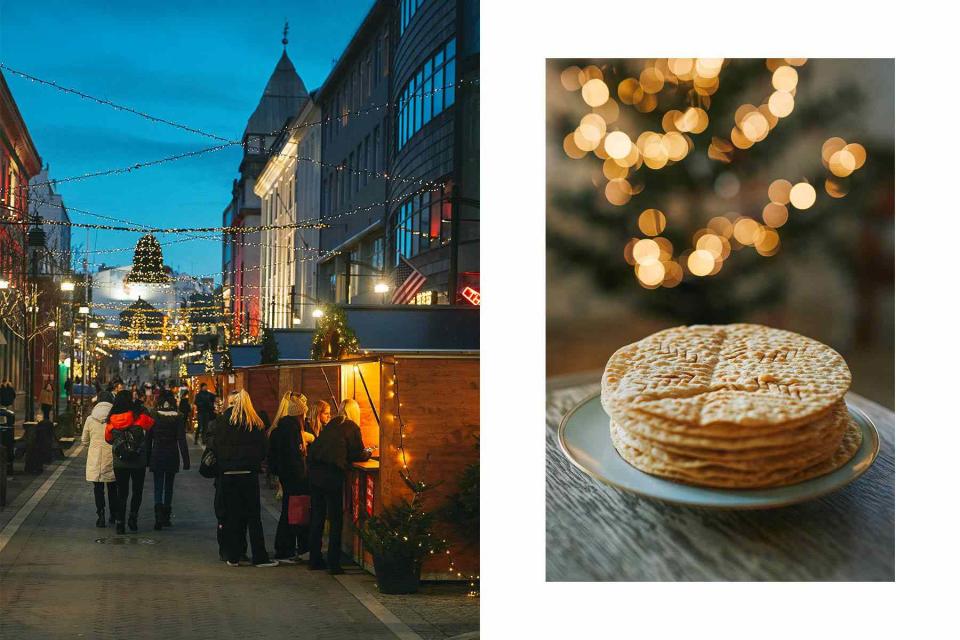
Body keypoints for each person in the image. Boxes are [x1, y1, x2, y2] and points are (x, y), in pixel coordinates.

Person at [210, 389, 277, 567]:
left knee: (232, 516)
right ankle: (259, 556)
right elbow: (264, 449)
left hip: (227, 475)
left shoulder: (222, 422)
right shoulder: (254, 423)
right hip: (248, 474)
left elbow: (215, 446)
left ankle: (233, 556)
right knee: (253, 517)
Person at [307, 398, 371, 573]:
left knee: (318, 517)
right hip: (331, 475)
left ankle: (314, 559)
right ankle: (334, 564)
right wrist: (368, 453)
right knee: (336, 519)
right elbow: (357, 453)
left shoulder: (333, 423)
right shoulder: (351, 427)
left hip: (315, 473)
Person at [268, 392, 310, 563]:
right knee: (294, 513)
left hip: (286, 476)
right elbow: (295, 456)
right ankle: (287, 549)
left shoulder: (280, 429)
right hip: (295, 478)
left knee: (289, 512)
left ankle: (286, 548)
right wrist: (302, 475)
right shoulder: (293, 431)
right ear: (300, 413)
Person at [105, 390, 155, 534]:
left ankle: (120, 523)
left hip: (120, 462)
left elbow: (108, 439)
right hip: (138, 460)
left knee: (122, 492)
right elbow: (151, 424)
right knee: (137, 491)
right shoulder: (138, 416)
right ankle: (133, 518)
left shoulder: (112, 419)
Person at [148, 390, 190, 530]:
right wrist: (186, 460)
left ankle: (158, 516)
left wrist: (146, 458)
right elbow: (182, 440)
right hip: (172, 454)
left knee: (158, 485)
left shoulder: (154, 415)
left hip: (157, 452)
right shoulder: (179, 417)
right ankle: (166, 516)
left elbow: (148, 439)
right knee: (169, 486)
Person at [81, 392, 118, 527]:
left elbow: (84, 440)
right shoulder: (115, 418)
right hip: (112, 457)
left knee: (98, 488)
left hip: (95, 457)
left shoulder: (90, 419)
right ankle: (113, 515)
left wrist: (91, 445)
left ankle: (101, 514)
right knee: (113, 487)